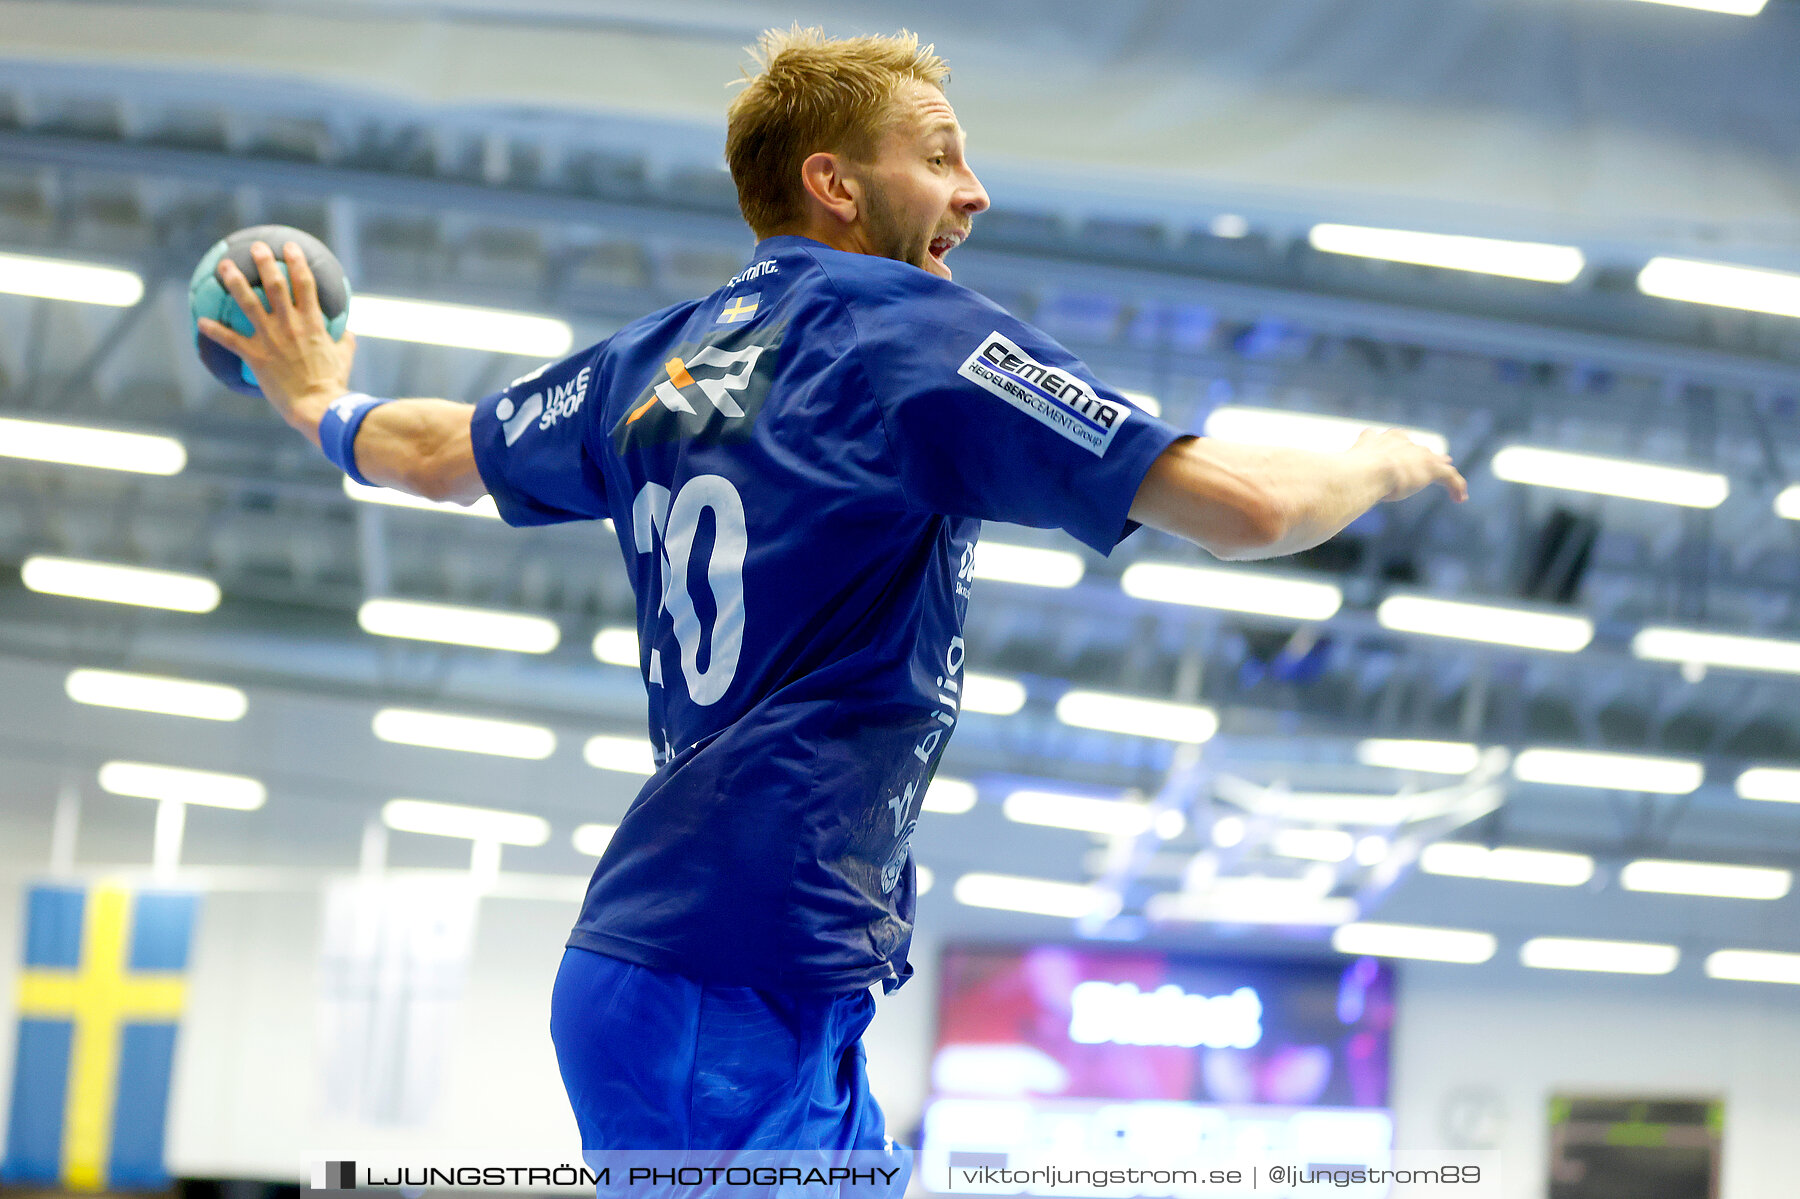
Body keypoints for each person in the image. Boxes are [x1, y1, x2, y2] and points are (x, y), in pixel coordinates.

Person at [197, 25, 1465, 1190]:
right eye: (942, 157)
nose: (976, 193)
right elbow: (1247, 508)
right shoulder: (911, 335)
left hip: (753, 973)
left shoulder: (657, 360)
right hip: (724, 976)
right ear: (836, 184)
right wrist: (1383, 457)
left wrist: (319, 404)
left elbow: (440, 451)